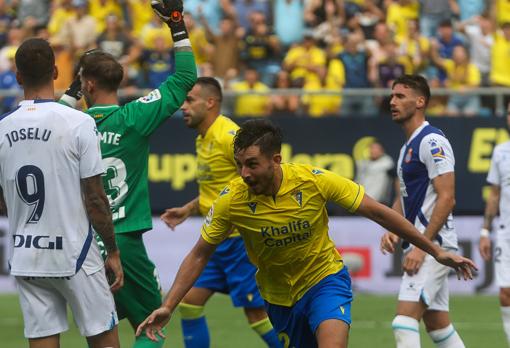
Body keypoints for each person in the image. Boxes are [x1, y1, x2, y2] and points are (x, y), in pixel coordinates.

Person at [136, 119, 476, 348]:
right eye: (240, 164)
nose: (244, 173)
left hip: (324, 281)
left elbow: (378, 212)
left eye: (252, 164)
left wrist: (433, 249)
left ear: (276, 160)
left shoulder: (314, 180)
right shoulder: (232, 200)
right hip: (279, 298)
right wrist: (169, 305)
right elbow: (199, 253)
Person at [60, 0, 197, 347]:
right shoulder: (134, 117)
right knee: (152, 325)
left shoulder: (69, 124)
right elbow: (184, 78)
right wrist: (177, 25)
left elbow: (52, 115)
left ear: (87, 85)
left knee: (101, 332)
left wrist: (73, 89)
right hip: (123, 239)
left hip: (80, 243)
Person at [0, 38, 123, 348]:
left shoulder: (2, 128)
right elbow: (95, 197)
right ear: (56, 72)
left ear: (18, 76)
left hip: (27, 255)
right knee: (105, 340)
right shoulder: (79, 123)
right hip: (75, 253)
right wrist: (112, 250)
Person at [160, 77, 280, 347]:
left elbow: (259, 178)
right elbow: (219, 189)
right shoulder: (203, 139)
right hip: (216, 240)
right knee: (190, 303)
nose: (183, 106)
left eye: (190, 100)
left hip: (240, 241)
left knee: (257, 314)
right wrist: (189, 209)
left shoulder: (230, 137)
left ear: (211, 102)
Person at [380, 74, 466, 348]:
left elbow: (447, 197)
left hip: (432, 244)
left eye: (400, 96)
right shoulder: (408, 146)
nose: (392, 101)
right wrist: (392, 229)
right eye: (392, 96)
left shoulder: (432, 141)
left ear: (420, 101)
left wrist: (423, 247)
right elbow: (404, 198)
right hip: (422, 242)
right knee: (438, 325)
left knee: (403, 322)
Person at [479, 106, 510, 346]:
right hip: (506, 233)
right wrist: (485, 232)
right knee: (506, 293)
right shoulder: (500, 152)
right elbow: (494, 195)